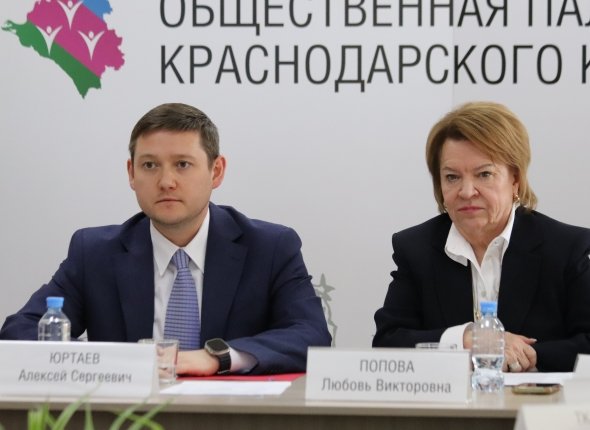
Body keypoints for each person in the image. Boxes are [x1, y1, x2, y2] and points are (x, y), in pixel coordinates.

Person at [0, 102, 331, 375]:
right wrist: (113, 364)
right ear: (131, 173)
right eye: (150, 165)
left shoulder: (270, 248)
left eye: (183, 164)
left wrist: (216, 357)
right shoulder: (95, 253)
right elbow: (21, 331)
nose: (166, 181)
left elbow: (311, 335)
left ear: (216, 171)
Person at [373, 101, 590, 372]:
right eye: (452, 177)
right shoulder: (416, 249)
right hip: (452, 400)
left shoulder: (566, 248)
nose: (466, 192)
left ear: (515, 179)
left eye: (484, 174)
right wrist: (465, 340)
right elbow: (388, 342)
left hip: (537, 397)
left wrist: (525, 356)